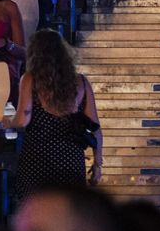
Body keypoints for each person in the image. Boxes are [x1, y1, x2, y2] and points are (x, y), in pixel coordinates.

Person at [10, 28, 102, 199]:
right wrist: (97, 163)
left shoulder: (30, 79)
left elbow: (22, 120)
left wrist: (8, 121)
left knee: (36, 210)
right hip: (70, 160)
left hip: (37, 159)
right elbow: (95, 127)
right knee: (67, 210)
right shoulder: (81, 82)